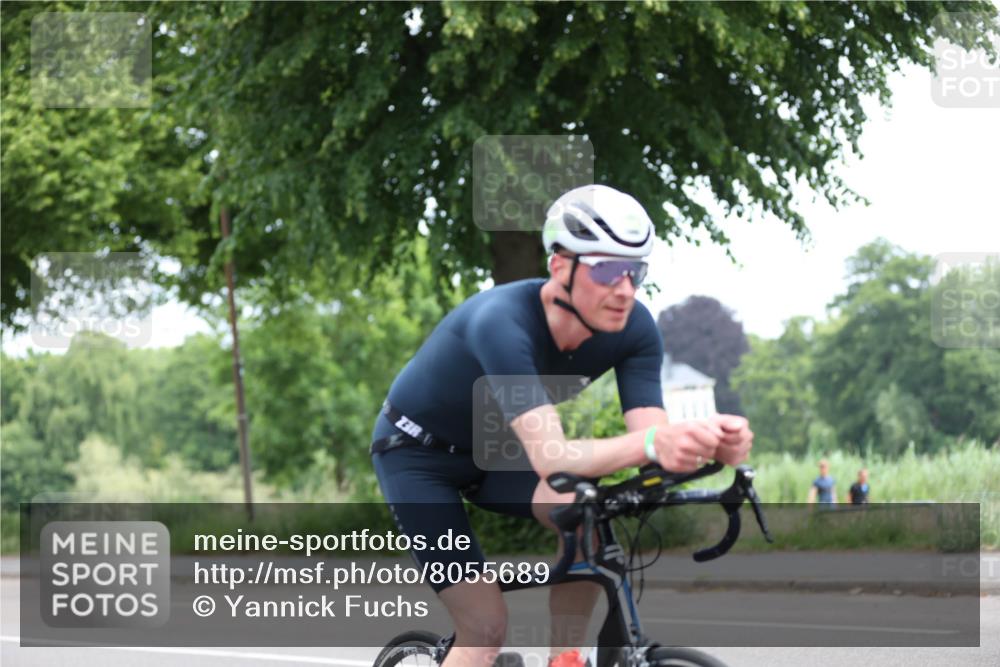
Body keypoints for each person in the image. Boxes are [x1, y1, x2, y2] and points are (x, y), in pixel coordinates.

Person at [370, 184, 755, 667]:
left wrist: (710, 447)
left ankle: (565, 660)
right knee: (485, 629)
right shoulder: (502, 321)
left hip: (497, 453)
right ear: (559, 267)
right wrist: (658, 441)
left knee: (584, 512)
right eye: (607, 270)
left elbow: (650, 442)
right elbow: (553, 456)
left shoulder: (634, 329)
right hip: (417, 456)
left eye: (635, 272)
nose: (624, 289)